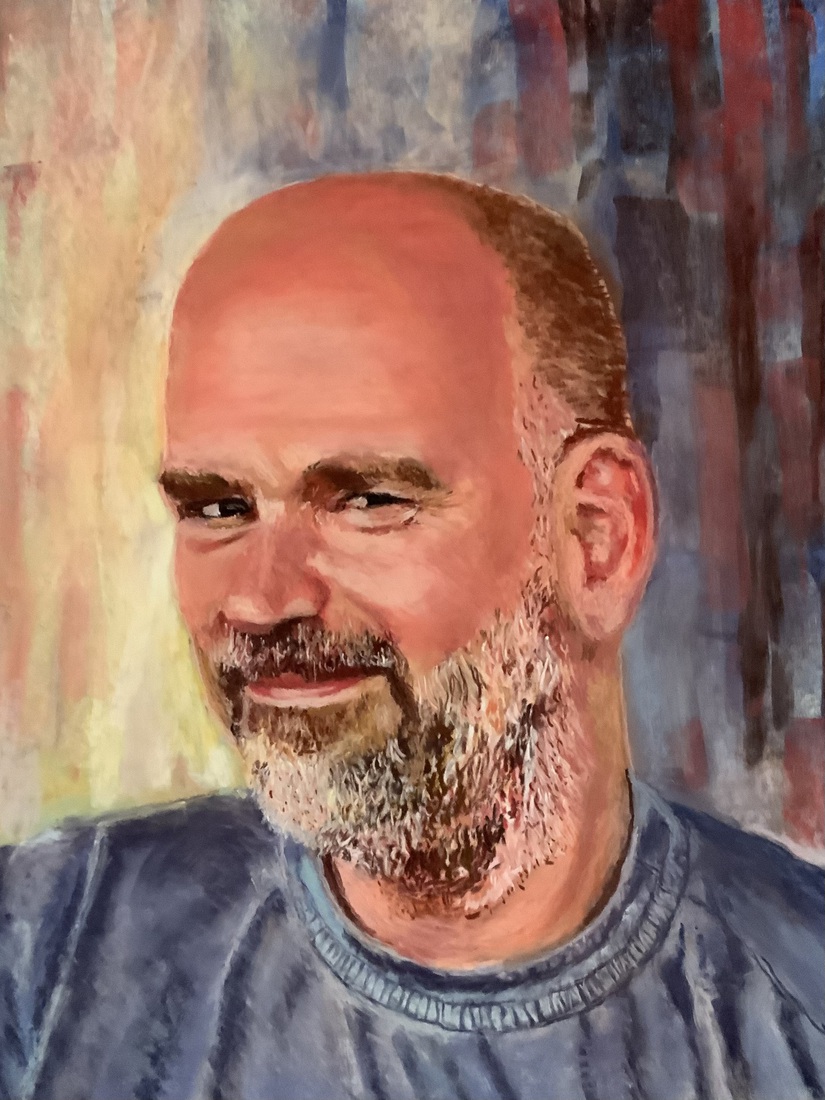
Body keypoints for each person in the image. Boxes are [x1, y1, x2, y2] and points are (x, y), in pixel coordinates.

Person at [1, 172, 822, 1100]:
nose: (264, 600)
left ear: (595, 538)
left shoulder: (795, 1002)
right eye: (218, 508)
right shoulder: (44, 965)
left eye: (367, 500)